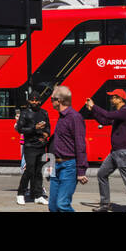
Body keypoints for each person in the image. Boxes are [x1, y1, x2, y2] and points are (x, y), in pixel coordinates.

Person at [85, 88, 126, 212]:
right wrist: (92, 111)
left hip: (123, 152)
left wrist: (94, 106)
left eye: (113, 97)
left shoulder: (125, 112)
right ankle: (105, 205)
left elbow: (107, 114)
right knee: (102, 174)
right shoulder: (118, 113)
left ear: (120, 99)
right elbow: (104, 121)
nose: (111, 99)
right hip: (115, 152)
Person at [47, 84, 87, 212]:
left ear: (59, 101)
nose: (50, 102)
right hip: (55, 165)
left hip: (68, 166)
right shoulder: (62, 116)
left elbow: (80, 144)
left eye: (51, 99)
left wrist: (81, 171)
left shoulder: (74, 117)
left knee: (62, 204)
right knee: (53, 207)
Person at [14, 91, 51, 206]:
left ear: (40, 101)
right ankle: (20, 193)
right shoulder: (25, 114)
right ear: (29, 101)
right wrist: (34, 128)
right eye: (32, 100)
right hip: (29, 146)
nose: (34, 102)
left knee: (39, 171)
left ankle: (38, 195)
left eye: (36, 100)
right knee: (29, 170)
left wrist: (46, 134)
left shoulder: (44, 113)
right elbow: (20, 129)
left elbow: (48, 127)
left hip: (41, 146)